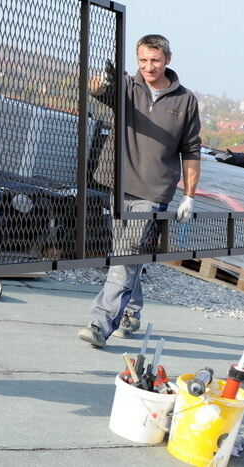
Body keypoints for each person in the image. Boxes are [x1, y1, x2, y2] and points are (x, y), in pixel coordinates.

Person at [78, 34, 201, 348]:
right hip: (117, 183)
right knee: (126, 256)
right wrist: (97, 85)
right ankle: (131, 312)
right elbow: (99, 93)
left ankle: (99, 323)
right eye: (144, 60)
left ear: (167, 60)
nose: (149, 66)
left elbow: (191, 150)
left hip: (153, 190)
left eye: (155, 60)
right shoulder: (127, 88)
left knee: (126, 258)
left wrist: (189, 195)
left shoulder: (185, 101)